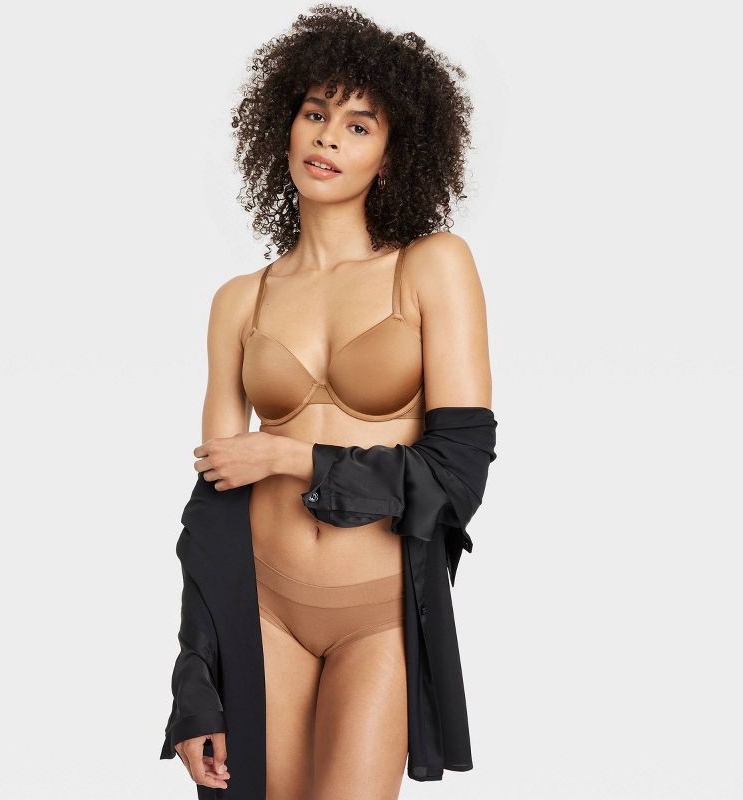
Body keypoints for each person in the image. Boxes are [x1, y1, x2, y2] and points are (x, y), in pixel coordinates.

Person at [172, 6, 492, 798]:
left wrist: (292, 457)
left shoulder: (431, 267)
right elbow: (212, 509)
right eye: (315, 114)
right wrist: (193, 684)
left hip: (377, 613)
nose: (328, 139)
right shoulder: (239, 300)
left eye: (358, 126)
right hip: (261, 608)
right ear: (283, 127)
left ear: (390, 156)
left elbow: (457, 474)